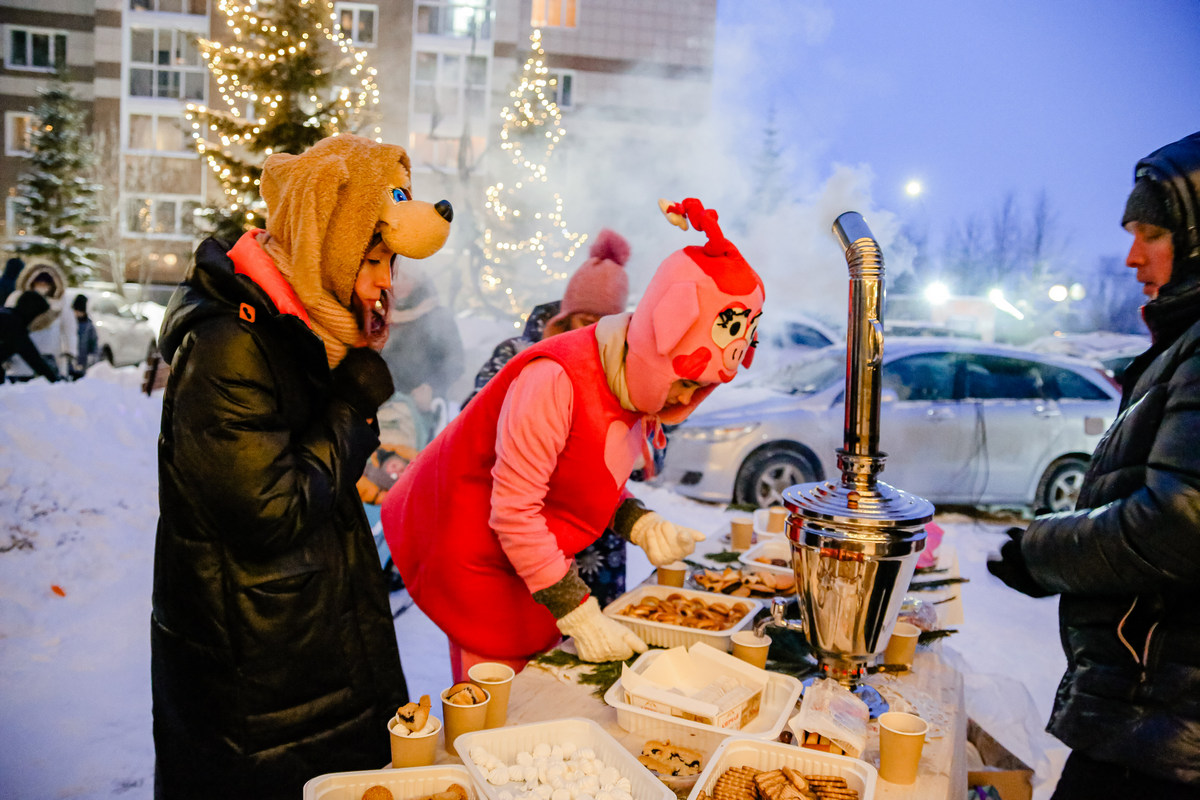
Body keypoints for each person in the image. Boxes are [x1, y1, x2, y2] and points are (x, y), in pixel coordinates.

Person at [151, 134, 452, 799]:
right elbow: (271, 510)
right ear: (327, 245)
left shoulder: (302, 328)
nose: (384, 283)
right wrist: (355, 396)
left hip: (307, 659)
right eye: (372, 259)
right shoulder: (231, 344)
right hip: (260, 686)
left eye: (391, 263)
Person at [382, 197, 765, 681]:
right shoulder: (554, 379)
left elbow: (588, 474)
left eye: (697, 389)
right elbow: (515, 511)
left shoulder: (623, 376)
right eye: (685, 382)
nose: (682, 401)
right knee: (504, 707)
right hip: (472, 553)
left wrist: (641, 524)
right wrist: (579, 613)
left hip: (531, 567)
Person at [987, 130, 1200, 799]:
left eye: (1154, 234)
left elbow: (1177, 521)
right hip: (1148, 723)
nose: (1132, 255)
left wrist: (1042, 549)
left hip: (1162, 737)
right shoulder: (1183, 342)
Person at [463, 228, 633, 606]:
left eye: (603, 323)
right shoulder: (517, 353)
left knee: (595, 647)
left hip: (598, 546)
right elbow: (470, 424)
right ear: (566, 313)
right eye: (583, 319)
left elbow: (636, 464)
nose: (590, 333)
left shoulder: (621, 370)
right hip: (522, 533)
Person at [0, 288, 61, 383]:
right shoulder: (12, 325)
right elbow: (34, 359)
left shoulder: (7, 315)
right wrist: (56, 381)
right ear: (32, 313)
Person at [69, 293, 99, 379]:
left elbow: (93, 341)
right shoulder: (70, 323)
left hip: (83, 360)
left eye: (80, 311)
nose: (77, 314)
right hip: (70, 361)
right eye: (76, 311)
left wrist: (92, 355)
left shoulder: (88, 326)